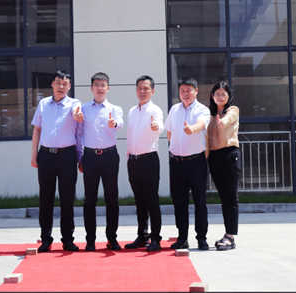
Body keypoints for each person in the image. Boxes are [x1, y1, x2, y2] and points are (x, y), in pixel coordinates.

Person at [31, 70, 84, 253]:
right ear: (52, 84)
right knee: (45, 198)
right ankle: (46, 239)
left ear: (69, 86)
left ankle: (68, 239)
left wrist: (80, 158)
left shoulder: (74, 104)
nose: (61, 86)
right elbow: (37, 129)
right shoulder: (43, 104)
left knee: (67, 198)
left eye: (65, 83)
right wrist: (34, 155)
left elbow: (78, 124)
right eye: (58, 82)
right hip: (46, 155)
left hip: (67, 156)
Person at [75, 72, 124, 251]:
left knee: (112, 199)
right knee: (90, 199)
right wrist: (80, 157)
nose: (100, 88)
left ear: (108, 88)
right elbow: (79, 134)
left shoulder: (115, 109)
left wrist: (114, 124)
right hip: (90, 157)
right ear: (91, 88)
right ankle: (90, 240)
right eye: (96, 84)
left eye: (103, 85)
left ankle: (112, 238)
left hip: (110, 156)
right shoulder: (84, 109)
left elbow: (120, 123)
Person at [165, 76, 211, 251]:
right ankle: (182, 237)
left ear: (196, 91)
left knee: (200, 202)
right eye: (182, 90)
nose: (185, 93)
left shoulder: (202, 110)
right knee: (179, 203)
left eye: (189, 90)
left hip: (196, 162)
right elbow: (169, 132)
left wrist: (192, 129)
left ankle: (201, 238)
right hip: (177, 162)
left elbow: (201, 124)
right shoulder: (174, 109)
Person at [125, 75, 165, 252]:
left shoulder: (155, 110)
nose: (142, 91)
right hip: (133, 161)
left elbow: (160, 125)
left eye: (146, 88)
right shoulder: (132, 111)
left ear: (152, 91)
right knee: (139, 201)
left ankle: (155, 238)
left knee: (151, 201)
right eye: (139, 88)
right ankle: (142, 236)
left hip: (149, 160)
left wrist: (157, 127)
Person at [206, 81, 240, 251]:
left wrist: (223, 122)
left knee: (231, 197)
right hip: (213, 157)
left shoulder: (232, 110)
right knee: (223, 198)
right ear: (212, 96)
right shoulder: (209, 114)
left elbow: (229, 119)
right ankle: (227, 234)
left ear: (228, 96)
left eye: (223, 94)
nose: (220, 97)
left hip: (229, 154)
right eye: (217, 94)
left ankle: (230, 236)